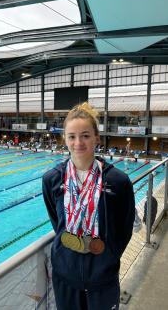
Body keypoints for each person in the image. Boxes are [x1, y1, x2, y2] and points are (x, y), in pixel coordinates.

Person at [42, 102, 135, 310]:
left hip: (104, 279)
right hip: (64, 276)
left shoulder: (118, 181)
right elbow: (57, 223)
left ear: (96, 138)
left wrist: (107, 257)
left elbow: (124, 229)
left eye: (85, 135)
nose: (78, 142)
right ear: (64, 139)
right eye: (72, 136)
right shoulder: (52, 180)